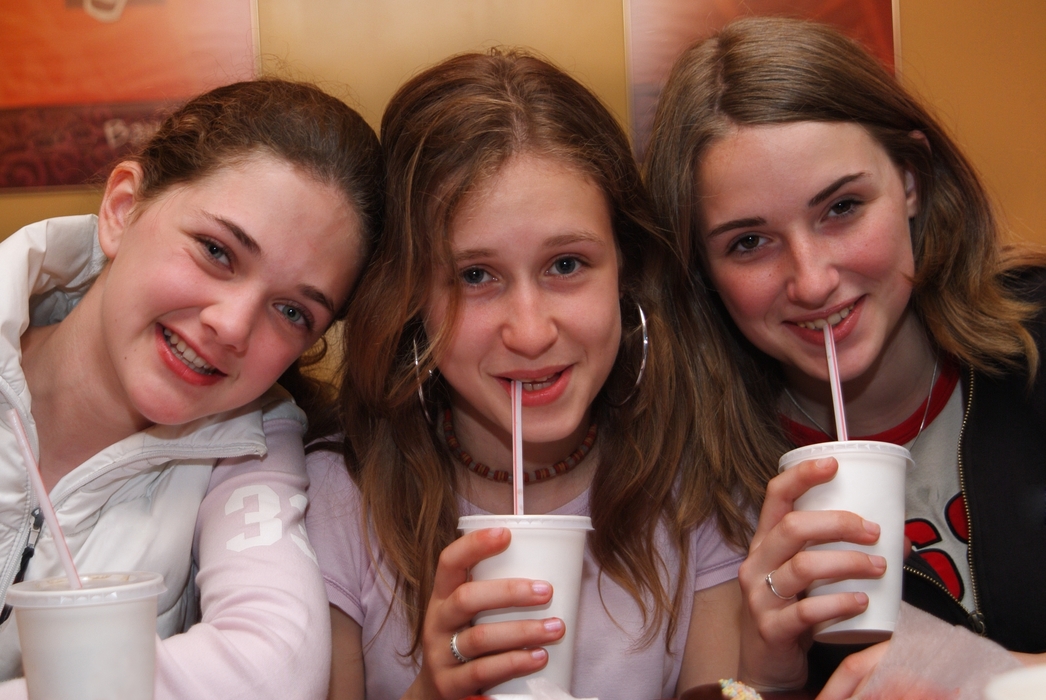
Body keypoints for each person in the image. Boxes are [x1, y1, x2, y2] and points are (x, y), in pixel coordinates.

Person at [304, 49, 760, 700]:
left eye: (567, 265)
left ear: (625, 268)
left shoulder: (696, 481)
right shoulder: (337, 496)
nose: (530, 330)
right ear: (412, 296)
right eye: (475, 276)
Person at [644, 15, 1046, 696]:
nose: (812, 279)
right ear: (701, 271)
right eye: (748, 242)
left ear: (911, 179)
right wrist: (767, 674)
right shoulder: (705, 486)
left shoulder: (1035, 337)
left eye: (842, 208)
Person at [0, 78, 383, 699]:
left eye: (292, 312)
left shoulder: (247, 443)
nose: (231, 327)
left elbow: (278, 666)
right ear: (123, 209)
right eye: (216, 251)